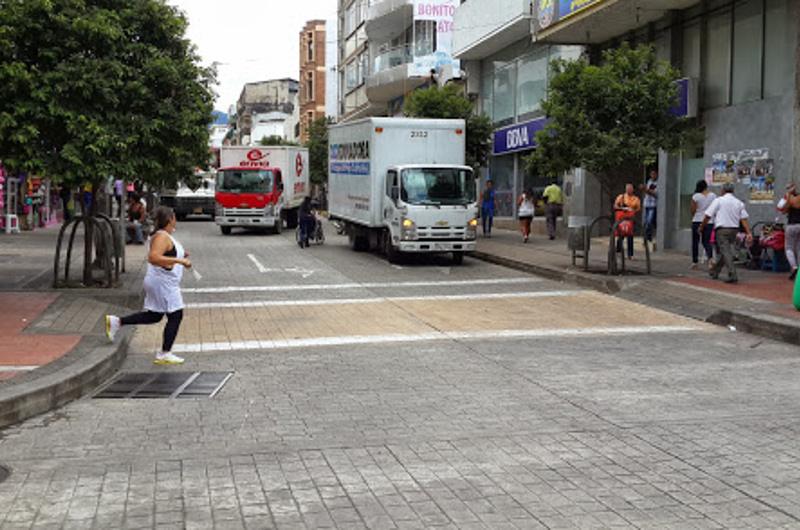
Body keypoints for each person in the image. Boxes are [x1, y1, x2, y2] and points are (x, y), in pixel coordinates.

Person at [105, 206, 191, 365]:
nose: (176, 219)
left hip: (162, 282)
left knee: (155, 315)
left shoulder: (165, 236)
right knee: (176, 315)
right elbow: (153, 257)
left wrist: (180, 254)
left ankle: (117, 322)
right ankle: (165, 353)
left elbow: (164, 254)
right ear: (169, 219)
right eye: (174, 216)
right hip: (164, 284)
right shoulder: (162, 236)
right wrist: (179, 260)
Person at [701, 182, 752, 284]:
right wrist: (748, 232)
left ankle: (732, 274)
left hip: (722, 230)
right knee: (726, 252)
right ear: (733, 191)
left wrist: (702, 226)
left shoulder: (718, 201)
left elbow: (707, 215)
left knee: (726, 252)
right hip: (734, 230)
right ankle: (715, 271)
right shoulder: (738, 202)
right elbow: (744, 219)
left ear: (723, 190)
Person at [690, 180, 716, 270]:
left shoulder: (696, 196)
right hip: (709, 221)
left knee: (695, 241)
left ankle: (695, 262)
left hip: (697, 220)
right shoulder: (713, 196)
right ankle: (710, 260)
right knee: (707, 242)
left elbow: (693, 210)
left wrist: (696, 215)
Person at [614, 183, 641, 260]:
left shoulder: (636, 199)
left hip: (630, 219)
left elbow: (638, 208)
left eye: (630, 189)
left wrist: (632, 209)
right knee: (621, 236)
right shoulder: (621, 197)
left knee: (630, 236)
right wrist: (622, 208)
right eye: (627, 189)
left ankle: (630, 254)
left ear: (633, 190)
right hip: (622, 219)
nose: (629, 190)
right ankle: (618, 251)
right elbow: (615, 206)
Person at [779, 182, 800, 280]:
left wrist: (788, 199)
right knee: (798, 247)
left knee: (789, 247)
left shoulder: (788, 198)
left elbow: (782, 210)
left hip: (792, 225)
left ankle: (794, 267)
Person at [640, 168, 658, 249]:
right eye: (651, 174)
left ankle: (648, 238)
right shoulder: (649, 181)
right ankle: (646, 238)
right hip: (647, 204)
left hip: (653, 204)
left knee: (649, 222)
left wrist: (646, 190)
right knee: (646, 222)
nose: (652, 175)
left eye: (654, 174)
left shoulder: (658, 182)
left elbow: (655, 194)